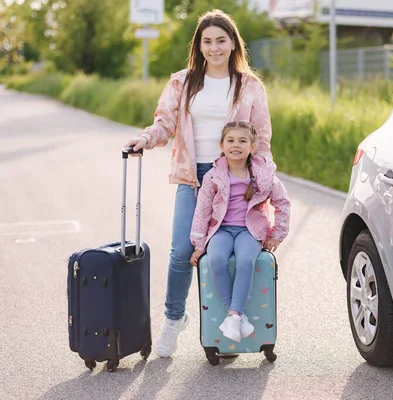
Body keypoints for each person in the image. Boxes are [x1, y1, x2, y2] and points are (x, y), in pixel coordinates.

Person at [123, 9, 274, 358]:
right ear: (199, 45)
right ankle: (174, 320)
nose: (214, 47)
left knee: (232, 251)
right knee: (181, 251)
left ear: (233, 42)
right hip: (194, 177)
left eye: (221, 40)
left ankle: (229, 326)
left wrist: (263, 177)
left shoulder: (249, 85)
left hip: (235, 178)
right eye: (207, 41)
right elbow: (164, 122)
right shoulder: (183, 81)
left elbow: (262, 136)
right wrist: (146, 138)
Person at [189, 121, 291, 343]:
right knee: (215, 259)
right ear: (222, 145)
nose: (236, 145)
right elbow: (202, 211)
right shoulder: (213, 176)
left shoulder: (263, 175)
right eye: (231, 140)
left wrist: (276, 234)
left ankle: (233, 315)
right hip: (221, 230)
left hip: (250, 230)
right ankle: (234, 315)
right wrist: (199, 245)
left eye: (243, 141)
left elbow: (282, 202)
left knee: (246, 261)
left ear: (252, 147)